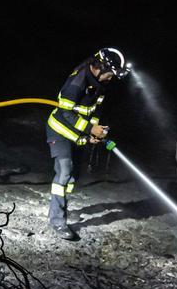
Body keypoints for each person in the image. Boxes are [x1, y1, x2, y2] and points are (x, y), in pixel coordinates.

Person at [45, 47, 131, 240]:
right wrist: (89, 130)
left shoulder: (101, 84)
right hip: (59, 130)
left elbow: (94, 111)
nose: (110, 79)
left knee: (72, 177)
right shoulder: (76, 82)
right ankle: (57, 222)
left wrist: (95, 131)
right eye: (109, 74)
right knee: (64, 171)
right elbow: (65, 113)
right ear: (99, 67)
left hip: (77, 133)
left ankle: (57, 211)